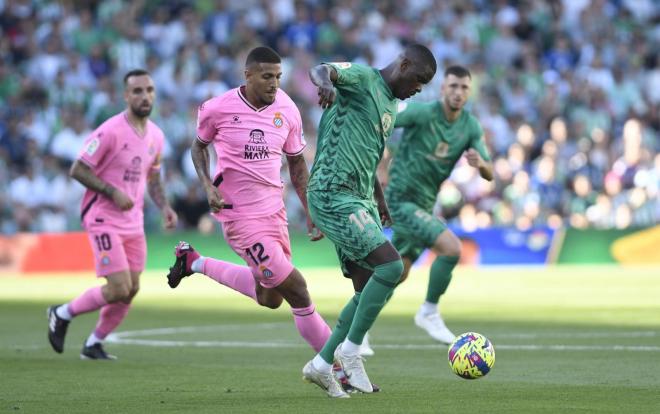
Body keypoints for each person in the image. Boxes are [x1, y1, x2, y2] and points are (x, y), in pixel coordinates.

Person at [164, 47, 346, 396]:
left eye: (278, 76)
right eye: (266, 76)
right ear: (247, 76)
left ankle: (193, 262)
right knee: (296, 289)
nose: (274, 83)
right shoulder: (217, 108)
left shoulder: (287, 109)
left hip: (273, 212)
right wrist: (206, 184)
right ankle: (336, 365)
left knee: (270, 297)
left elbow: (296, 166)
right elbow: (198, 147)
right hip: (238, 216)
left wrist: (310, 212)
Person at [301, 44, 437, 396]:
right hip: (333, 193)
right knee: (391, 268)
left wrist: (378, 196)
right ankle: (349, 353)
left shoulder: (391, 104)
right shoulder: (362, 77)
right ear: (404, 64)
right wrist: (327, 84)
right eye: (419, 79)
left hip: (360, 198)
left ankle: (325, 365)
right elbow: (322, 68)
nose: (419, 87)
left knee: (365, 289)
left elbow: (366, 152)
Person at [47, 69, 178, 359]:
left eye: (149, 90)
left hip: (134, 222)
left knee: (131, 290)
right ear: (125, 95)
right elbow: (78, 169)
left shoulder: (156, 136)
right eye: (137, 91)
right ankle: (62, 312)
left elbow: (153, 177)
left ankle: (94, 343)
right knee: (118, 287)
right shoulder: (109, 131)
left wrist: (165, 206)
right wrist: (111, 191)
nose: (145, 96)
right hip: (103, 217)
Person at [384, 65, 494, 343]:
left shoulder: (470, 126)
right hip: (400, 198)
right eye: (453, 86)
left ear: (469, 92)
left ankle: (353, 333)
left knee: (397, 272)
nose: (458, 92)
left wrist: (480, 163)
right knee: (451, 248)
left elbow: (490, 173)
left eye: (464, 87)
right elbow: (384, 119)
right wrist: (381, 163)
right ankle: (429, 311)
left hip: (425, 203)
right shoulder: (422, 113)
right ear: (443, 88)